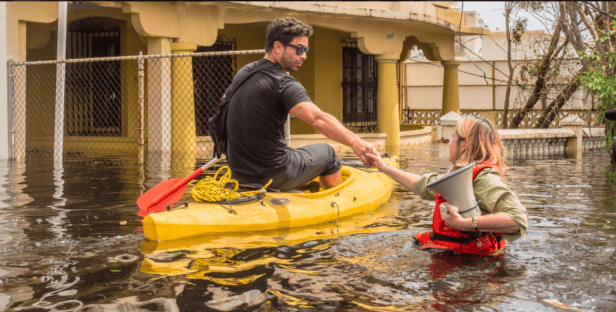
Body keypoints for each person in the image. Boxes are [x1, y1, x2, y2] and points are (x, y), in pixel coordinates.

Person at [225, 17, 380, 191]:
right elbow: (317, 119)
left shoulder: (243, 73)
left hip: (239, 175)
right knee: (328, 153)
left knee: (299, 150)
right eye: (299, 49)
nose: (304, 56)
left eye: (306, 49)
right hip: (274, 175)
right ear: (278, 47)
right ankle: (333, 198)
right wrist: (356, 143)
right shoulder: (283, 83)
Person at [368, 116, 528, 255]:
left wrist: (464, 224)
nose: (450, 144)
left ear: (464, 145)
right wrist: (385, 168)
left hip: (476, 268)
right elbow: (424, 185)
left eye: (453, 139)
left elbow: (517, 218)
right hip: (464, 262)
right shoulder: (461, 175)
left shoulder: (485, 177)